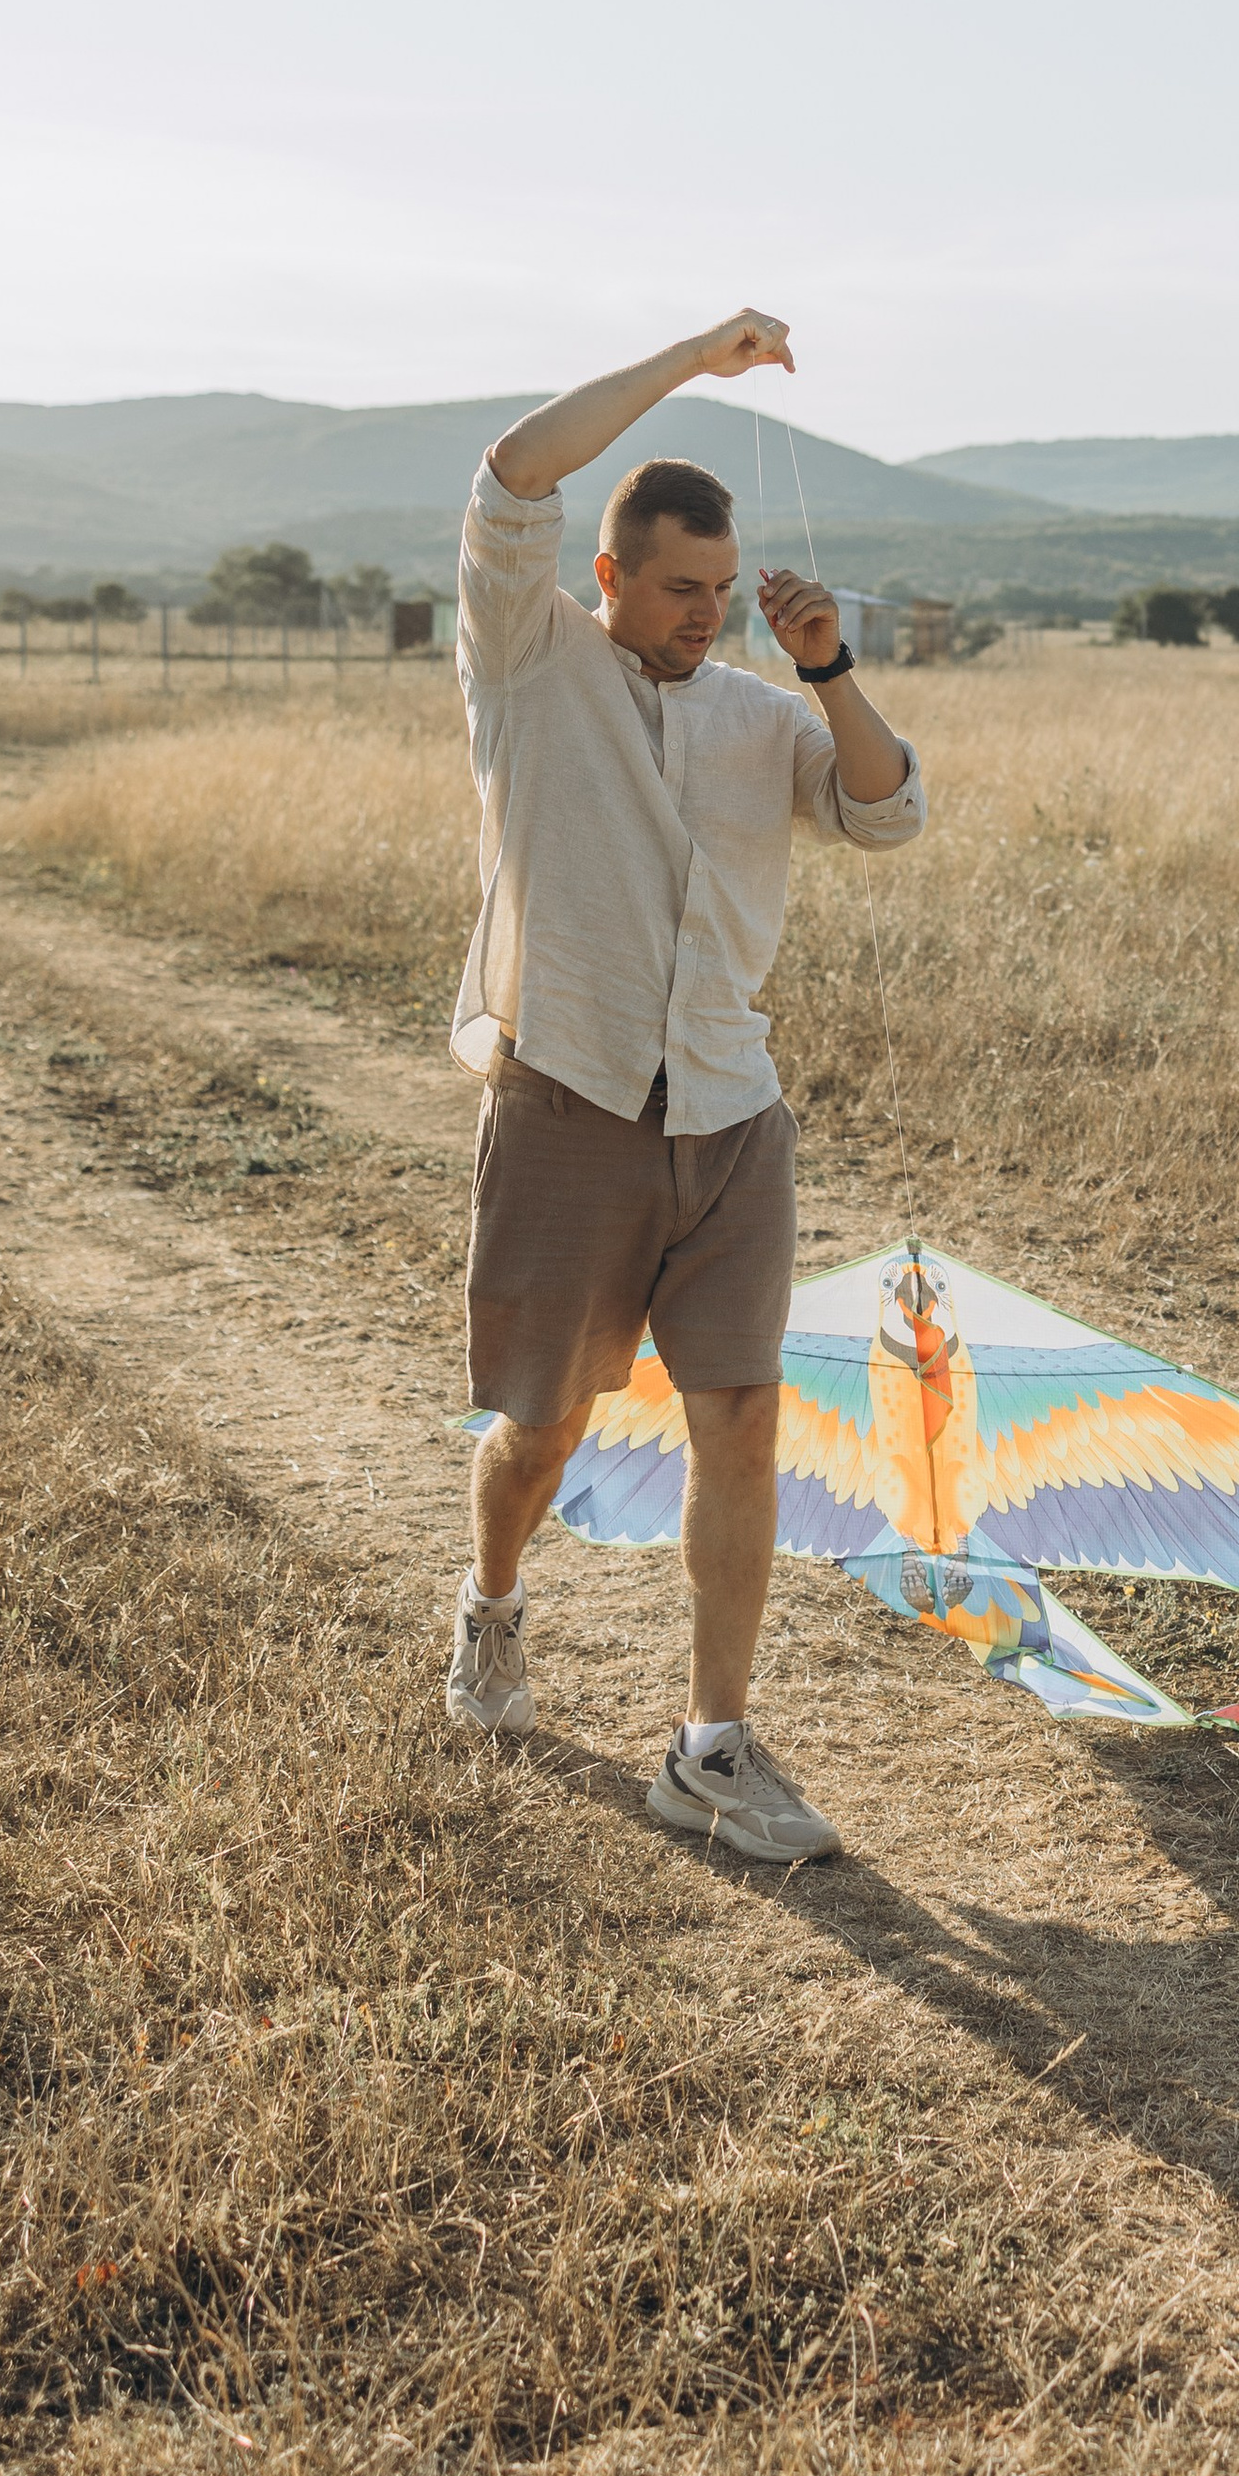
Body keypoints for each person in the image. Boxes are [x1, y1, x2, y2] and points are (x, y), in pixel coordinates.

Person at [441, 309, 926, 1866]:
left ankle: (709, 1745)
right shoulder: (526, 662)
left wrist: (828, 666)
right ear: (609, 578)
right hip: (569, 1099)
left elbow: (889, 814)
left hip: (732, 1116)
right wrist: (689, 361)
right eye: (677, 590)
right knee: (544, 1429)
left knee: (742, 1417)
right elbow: (513, 471)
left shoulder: (761, 715)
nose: (702, 617)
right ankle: (494, 1609)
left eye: (723, 592)